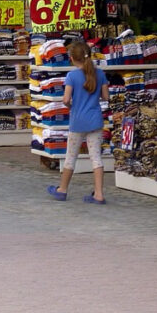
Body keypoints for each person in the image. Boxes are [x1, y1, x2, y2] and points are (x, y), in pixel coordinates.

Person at [47, 40, 109, 204]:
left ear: (72, 58)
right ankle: (99, 194)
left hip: (77, 121)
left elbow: (66, 99)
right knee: (96, 157)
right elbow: (106, 97)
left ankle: (62, 189)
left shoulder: (71, 76)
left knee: (71, 157)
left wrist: (70, 105)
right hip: (95, 120)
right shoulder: (100, 74)